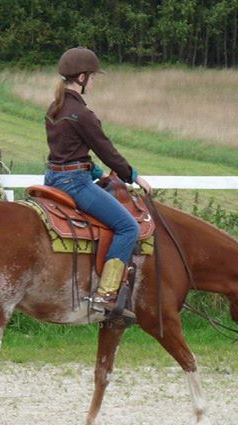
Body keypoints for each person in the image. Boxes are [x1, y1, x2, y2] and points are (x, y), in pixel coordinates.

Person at [44, 46, 153, 319]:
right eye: (92, 76)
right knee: (127, 227)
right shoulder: (82, 114)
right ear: (81, 77)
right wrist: (134, 176)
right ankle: (106, 294)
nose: (93, 81)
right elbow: (107, 150)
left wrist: (95, 172)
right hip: (74, 183)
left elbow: (65, 150)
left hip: (54, 177)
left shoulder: (55, 108)